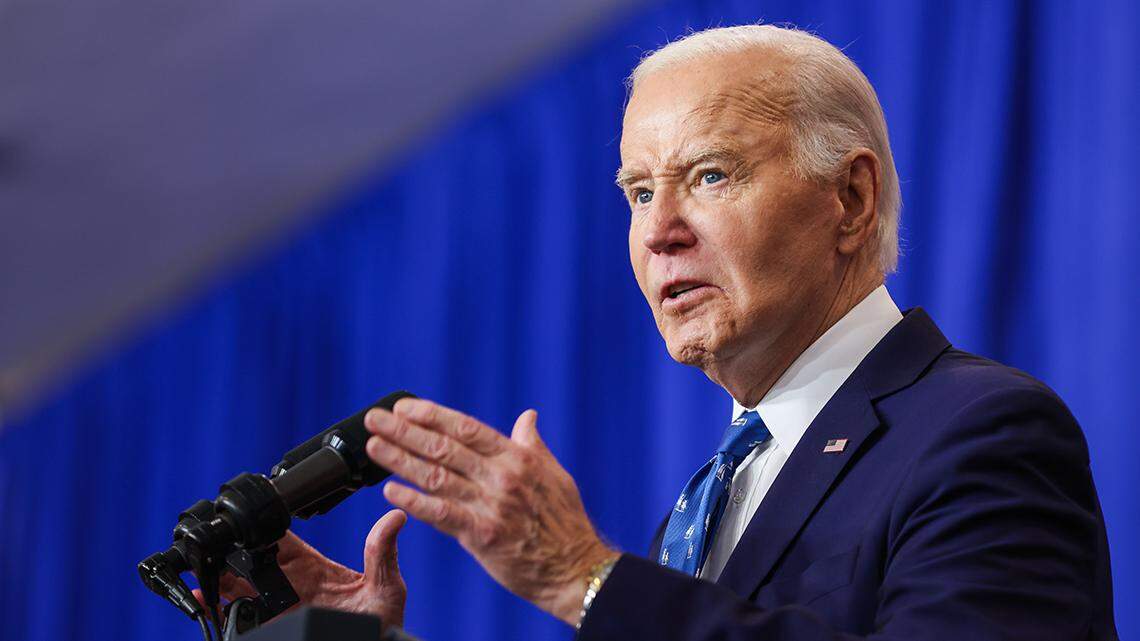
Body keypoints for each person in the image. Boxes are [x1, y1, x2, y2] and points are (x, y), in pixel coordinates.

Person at [215, 24, 1118, 640]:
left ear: (851, 198)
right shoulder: (706, 506)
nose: (658, 231)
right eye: (639, 191)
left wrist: (585, 579)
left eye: (711, 175)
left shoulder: (981, 431)